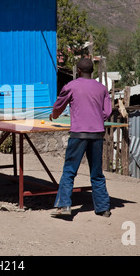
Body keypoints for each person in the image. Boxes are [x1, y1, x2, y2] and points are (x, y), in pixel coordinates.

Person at [50, 58, 112, 218]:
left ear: (78, 71)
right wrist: (96, 118)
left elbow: (59, 106)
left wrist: (54, 115)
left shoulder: (71, 86)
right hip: (97, 134)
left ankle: (64, 206)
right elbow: (107, 112)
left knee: (70, 170)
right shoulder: (102, 88)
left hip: (78, 134)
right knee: (97, 172)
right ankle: (103, 208)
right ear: (92, 71)